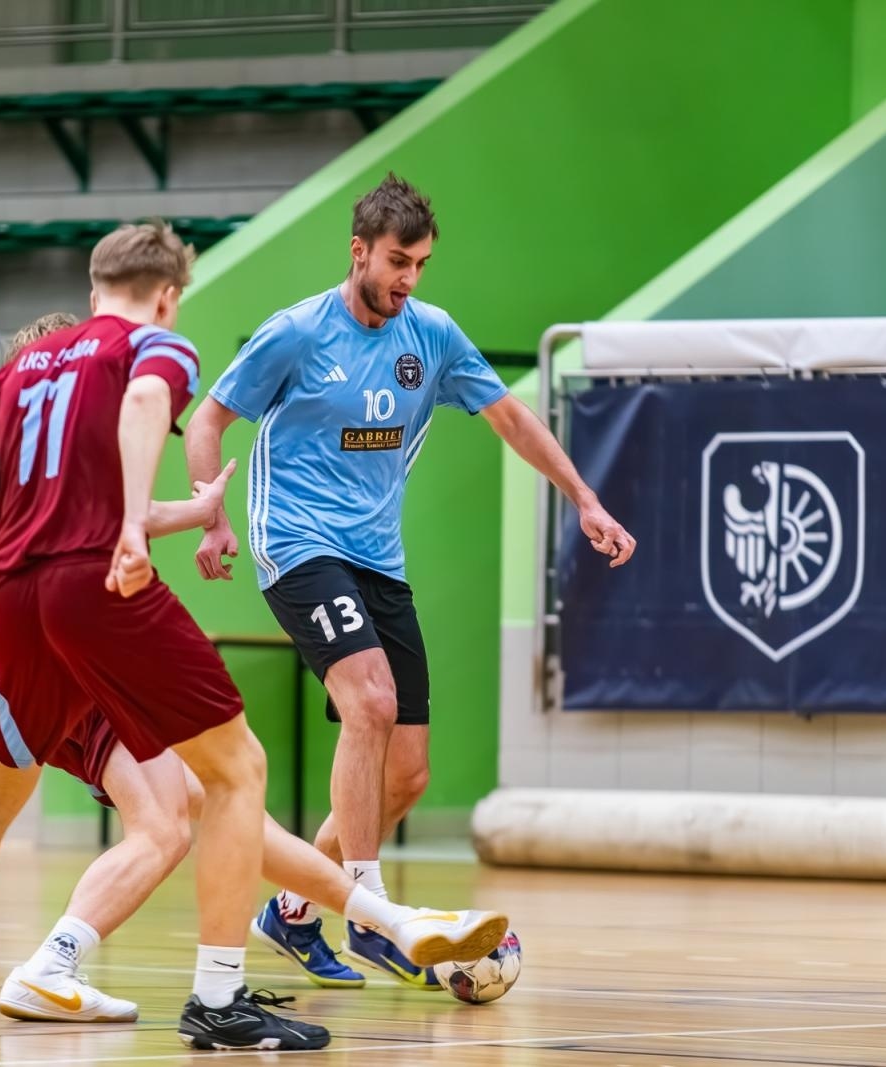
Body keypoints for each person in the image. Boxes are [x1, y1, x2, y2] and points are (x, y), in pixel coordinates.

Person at [0, 315, 505, 1030]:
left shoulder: (84, 447)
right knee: (63, 796)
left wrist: (197, 508)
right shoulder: (10, 423)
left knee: (205, 802)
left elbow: (120, 521)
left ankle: (383, 918)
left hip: (84, 637)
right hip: (31, 635)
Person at [186, 174, 635, 988]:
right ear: (359, 251)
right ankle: (371, 908)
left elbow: (512, 419)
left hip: (377, 558)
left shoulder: (430, 336)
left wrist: (585, 499)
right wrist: (212, 515)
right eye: (398, 260)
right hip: (297, 543)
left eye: (421, 263)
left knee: (408, 770)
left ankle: (290, 913)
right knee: (372, 703)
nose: (409, 278)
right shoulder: (296, 334)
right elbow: (212, 417)